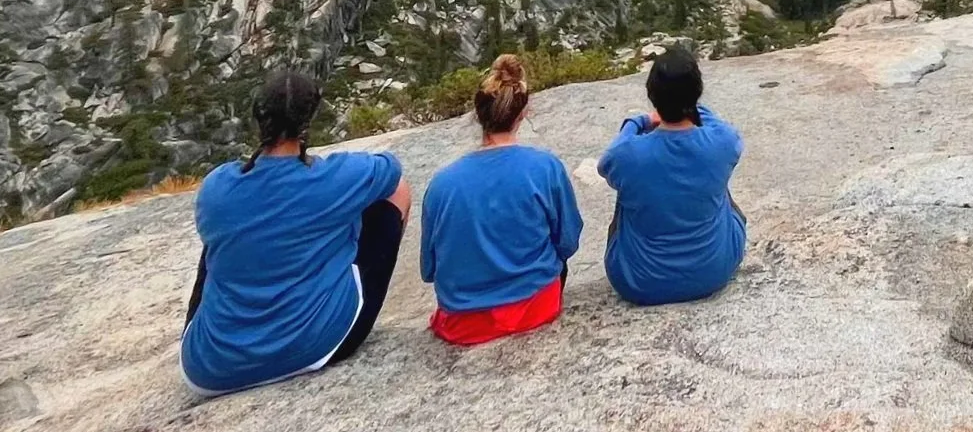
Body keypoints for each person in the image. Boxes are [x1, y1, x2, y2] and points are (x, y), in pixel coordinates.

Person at [180, 68, 409, 397]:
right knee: (394, 192)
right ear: (307, 123)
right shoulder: (334, 179)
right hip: (315, 344)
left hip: (211, 367)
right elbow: (391, 168)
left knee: (220, 240)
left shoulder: (216, 186)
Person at [419, 54, 584, 345]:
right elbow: (568, 242)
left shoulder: (442, 184)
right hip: (535, 308)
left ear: (477, 114)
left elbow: (429, 269)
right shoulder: (545, 168)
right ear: (523, 113)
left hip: (462, 323)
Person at [597, 44, 745, 306]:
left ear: (652, 96)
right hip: (715, 270)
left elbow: (605, 165)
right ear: (696, 94)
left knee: (629, 187)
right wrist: (694, 109)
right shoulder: (723, 141)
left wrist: (637, 122)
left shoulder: (627, 155)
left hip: (638, 281)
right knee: (716, 178)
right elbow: (718, 126)